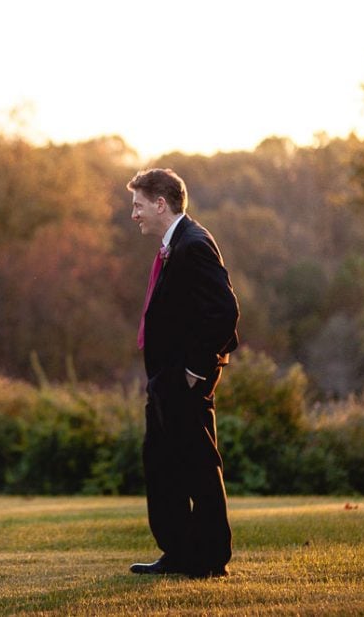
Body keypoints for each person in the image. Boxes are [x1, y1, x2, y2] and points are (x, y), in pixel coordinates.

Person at [126, 168, 239, 579]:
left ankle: (210, 558)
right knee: (162, 464)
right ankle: (177, 552)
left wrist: (195, 370)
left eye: (138, 206)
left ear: (161, 203)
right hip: (166, 378)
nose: (134, 214)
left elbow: (224, 312)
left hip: (184, 378)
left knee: (195, 463)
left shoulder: (194, 245)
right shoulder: (174, 246)